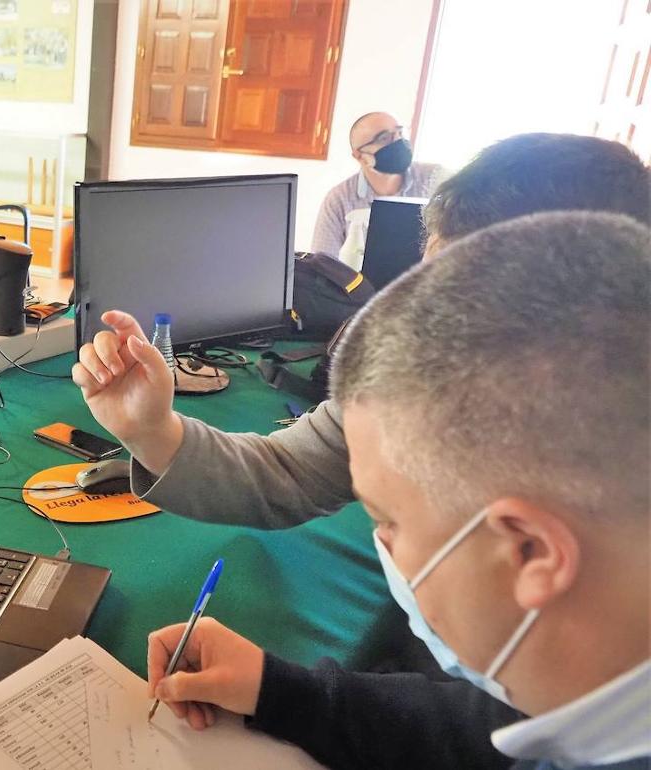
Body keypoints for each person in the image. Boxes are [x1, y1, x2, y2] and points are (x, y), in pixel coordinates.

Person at [146, 211, 650, 770]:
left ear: (531, 551)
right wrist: (280, 691)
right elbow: (491, 731)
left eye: (388, 521)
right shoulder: (587, 690)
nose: (381, 542)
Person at [73, 133, 651, 534]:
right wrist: (153, 432)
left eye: (473, 300)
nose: (437, 322)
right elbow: (286, 473)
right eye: (432, 282)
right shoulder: (416, 371)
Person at [311, 112, 444, 264]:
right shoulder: (339, 198)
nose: (398, 141)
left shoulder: (435, 179)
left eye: (400, 132)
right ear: (359, 155)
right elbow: (322, 265)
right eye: (384, 138)